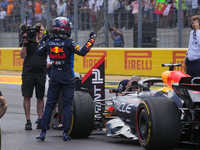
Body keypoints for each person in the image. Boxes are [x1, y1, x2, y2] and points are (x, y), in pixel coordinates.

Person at [36, 17, 96, 141]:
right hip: (67, 76)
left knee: (49, 105)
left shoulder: (49, 42)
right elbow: (83, 51)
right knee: (67, 105)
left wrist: (43, 40)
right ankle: (65, 133)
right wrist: (92, 39)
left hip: (55, 75)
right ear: (65, 28)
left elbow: (38, 51)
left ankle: (43, 132)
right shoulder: (69, 42)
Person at [20, 23, 47, 130]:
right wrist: (25, 43)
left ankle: (40, 119)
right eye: (38, 30)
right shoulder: (29, 40)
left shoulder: (46, 42)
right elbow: (22, 55)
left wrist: (37, 41)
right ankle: (28, 120)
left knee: (40, 97)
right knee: (27, 96)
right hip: (28, 72)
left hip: (41, 72)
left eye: (41, 30)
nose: (39, 32)